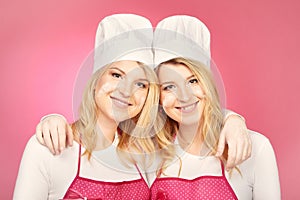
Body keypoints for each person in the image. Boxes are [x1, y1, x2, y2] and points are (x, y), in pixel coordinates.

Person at [13, 14, 169, 200]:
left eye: (140, 84)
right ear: (96, 80)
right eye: (116, 75)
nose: (126, 91)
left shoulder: (146, 157)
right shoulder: (48, 148)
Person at [148, 15, 281, 199]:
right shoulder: (151, 155)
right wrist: (232, 117)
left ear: (208, 84)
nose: (184, 96)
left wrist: (232, 118)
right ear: (159, 97)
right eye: (169, 86)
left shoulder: (255, 148)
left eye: (193, 81)